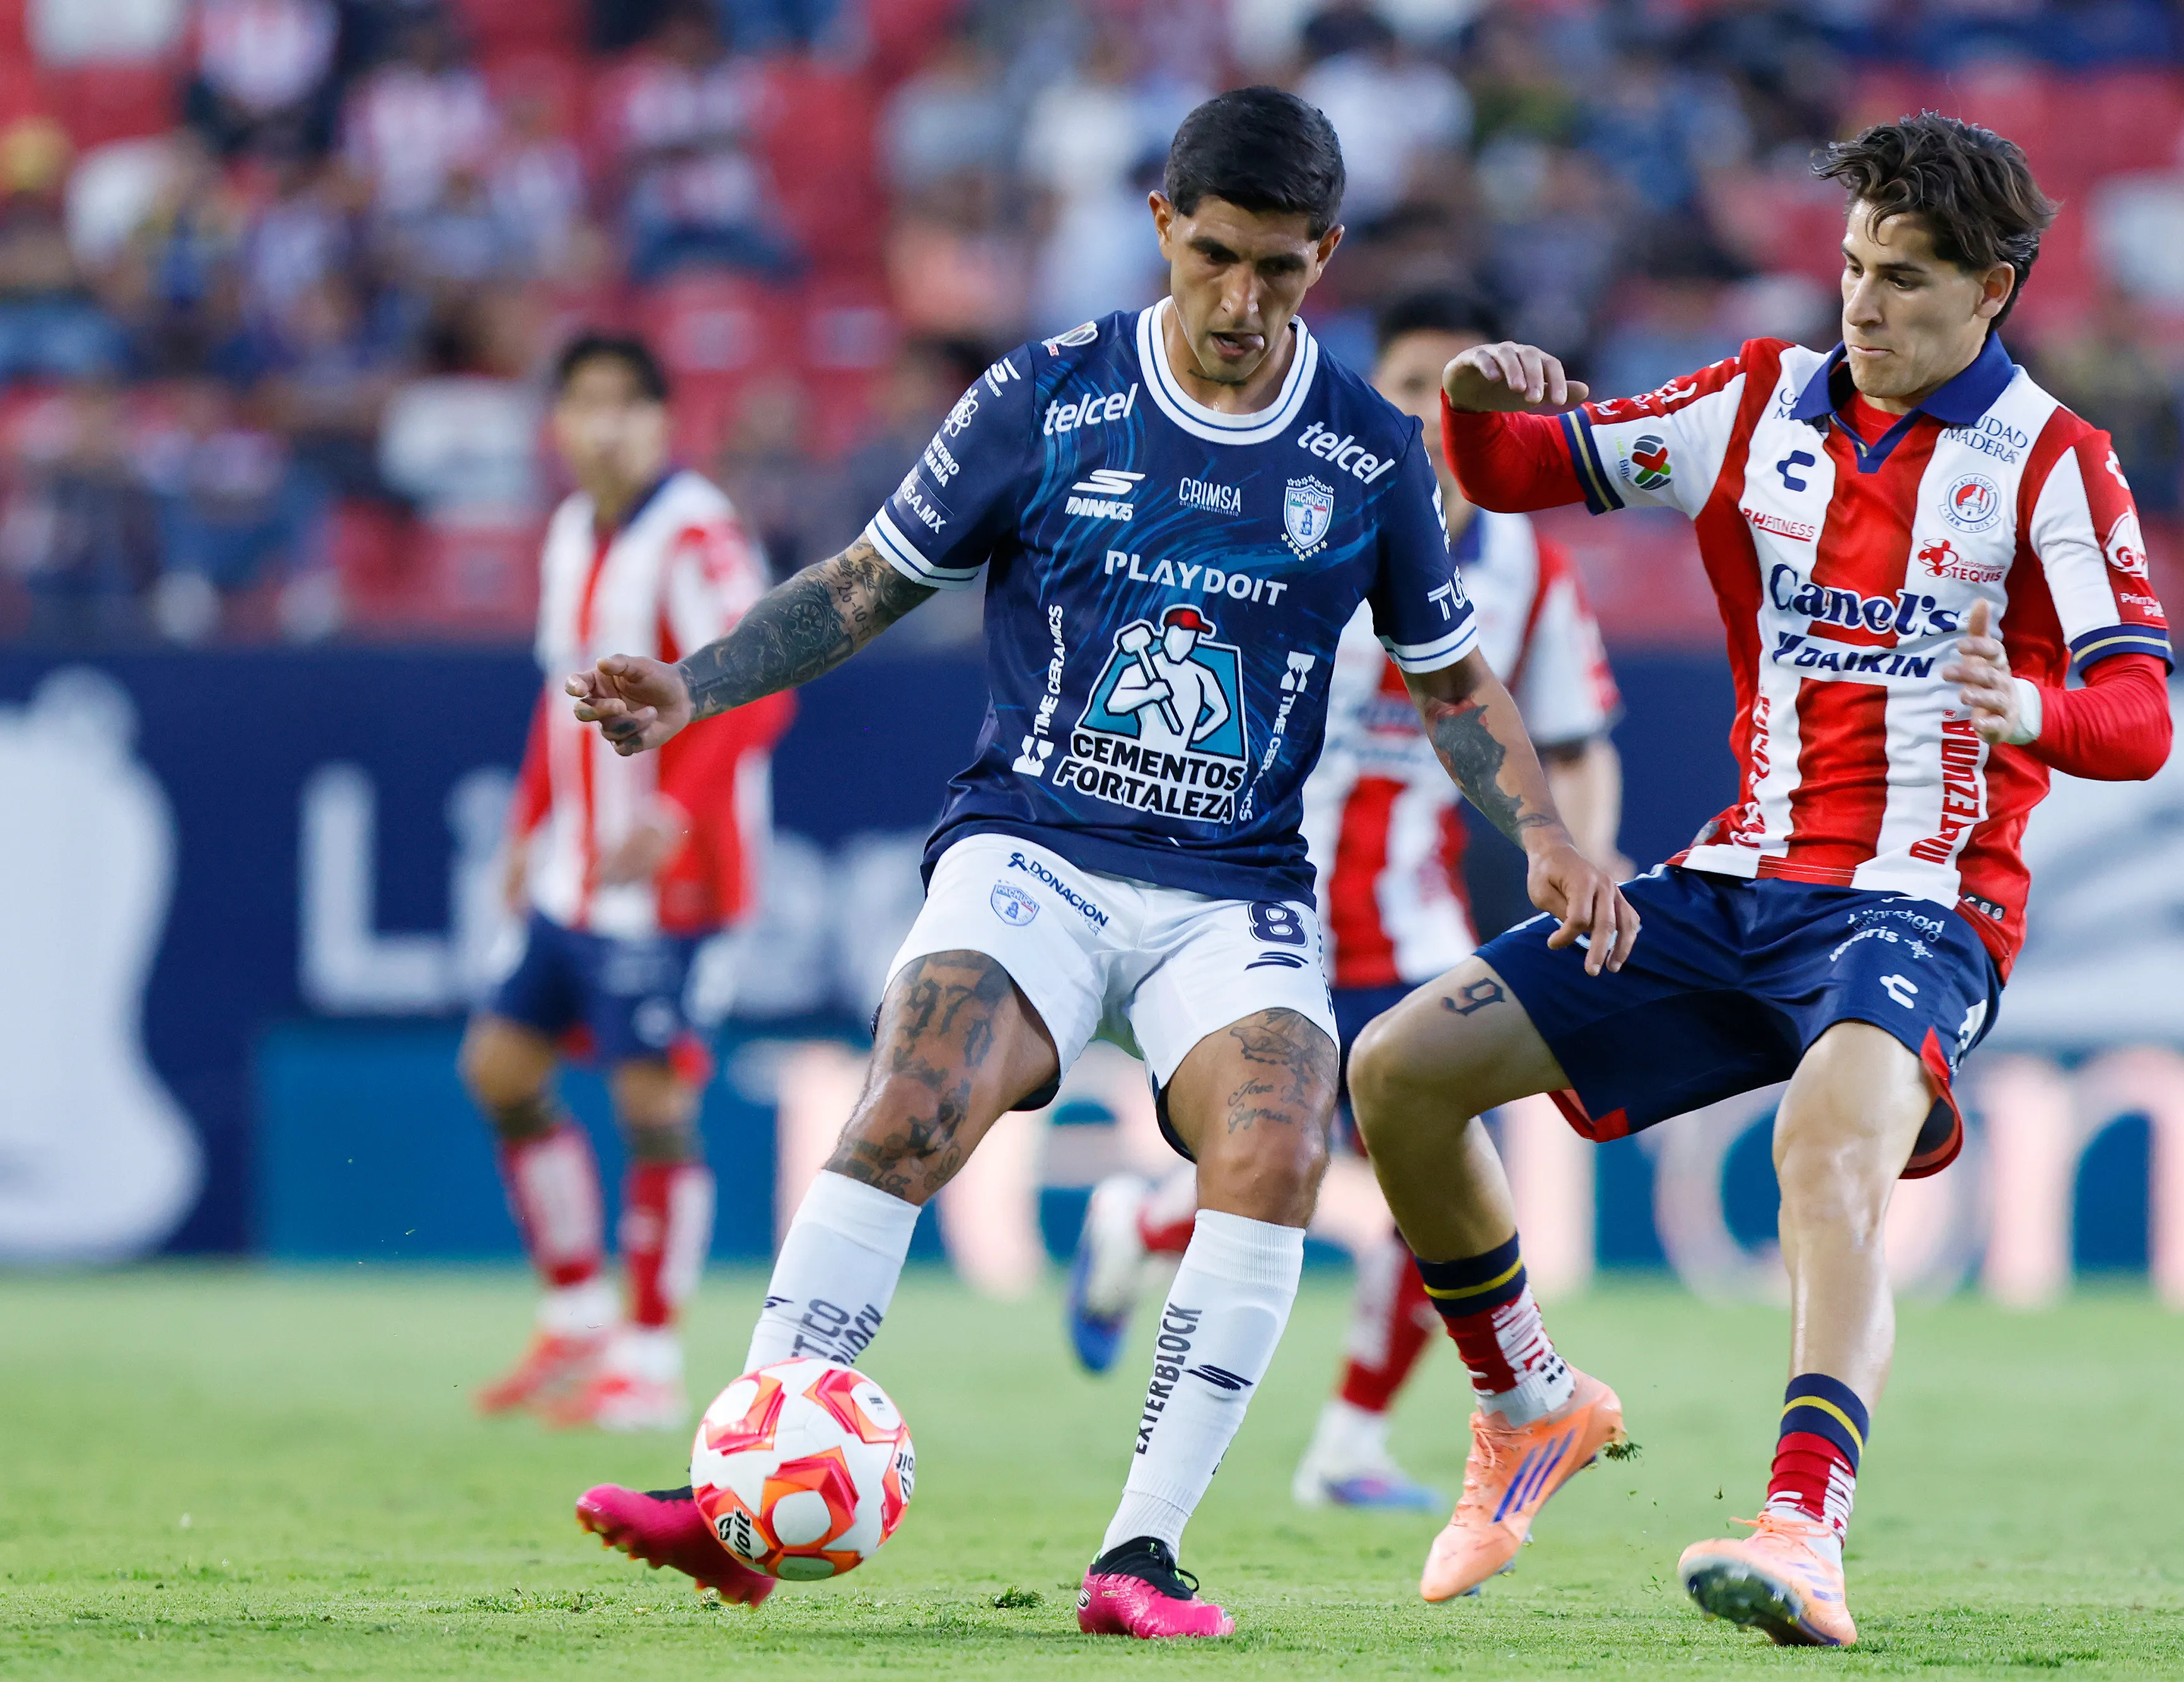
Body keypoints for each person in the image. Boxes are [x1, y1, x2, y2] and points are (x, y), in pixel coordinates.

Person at [561, 88, 1635, 1637]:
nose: (1242, 300)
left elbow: (1454, 685)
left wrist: (1539, 831)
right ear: (1161, 226)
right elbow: (864, 583)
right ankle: (734, 1496)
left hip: (1236, 886)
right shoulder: (1045, 395)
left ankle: (1139, 1553)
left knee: (1277, 1139)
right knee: (917, 1090)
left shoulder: (1364, 452)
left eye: (1279, 268)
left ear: (1325, 255)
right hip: (1037, 849)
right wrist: (694, 682)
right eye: (1214, 257)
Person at [1344, 113, 2178, 1645]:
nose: (1861, 303)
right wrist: (1470, 398)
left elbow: (2138, 716)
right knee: (1396, 1069)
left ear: (1990, 289)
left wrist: (2028, 709)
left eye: (1904, 279)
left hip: (1921, 904)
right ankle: (1525, 1399)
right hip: (1733, 880)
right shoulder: (1749, 401)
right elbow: (1512, 469)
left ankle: (1802, 1527)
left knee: (1823, 1138)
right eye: (1852, 266)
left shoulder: (2055, 463)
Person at [1063, 285, 1628, 1516]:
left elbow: (1576, 739)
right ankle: (1149, 1228)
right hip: (1270, 904)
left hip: (1413, 920)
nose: (1436, 415)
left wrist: (1587, 849)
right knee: (1284, 1157)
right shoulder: (1300, 517)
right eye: (1413, 388)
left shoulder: (1530, 569)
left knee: (1449, 1184)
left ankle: (1342, 1441)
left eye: (1464, 392)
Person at [463, 332, 793, 1433]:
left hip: (676, 879)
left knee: (653, 1102)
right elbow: (556, 700)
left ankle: (648, 1363)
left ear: (663, 420)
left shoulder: (696, 532)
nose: (604, 425)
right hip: (579, 873)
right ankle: (576, 1318)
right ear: (556, 425)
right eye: (584, 402)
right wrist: (529, 824)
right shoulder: (571, 531)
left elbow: (760, 683)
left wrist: (673, 810)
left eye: (626, 403)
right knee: (500, 1066)